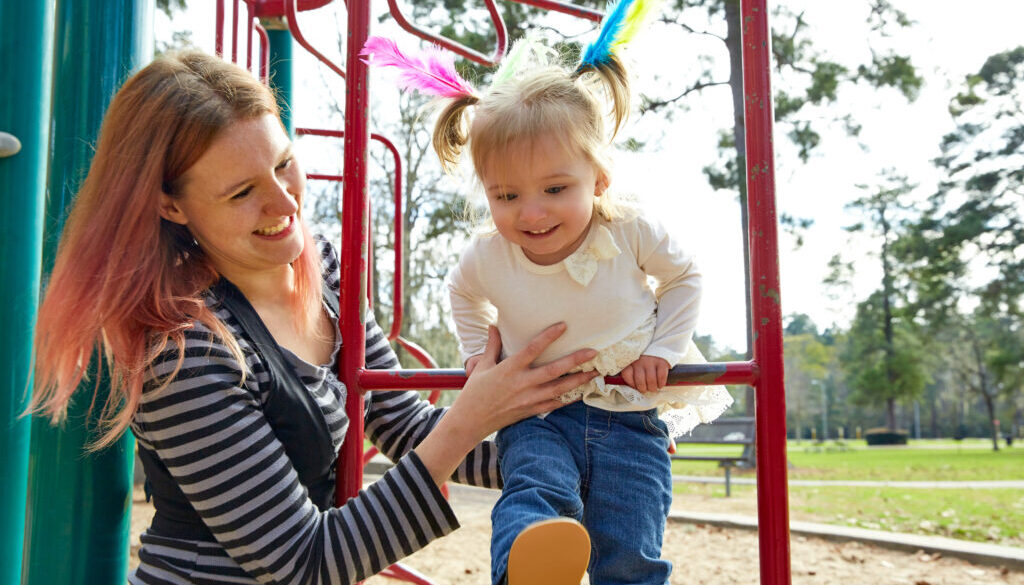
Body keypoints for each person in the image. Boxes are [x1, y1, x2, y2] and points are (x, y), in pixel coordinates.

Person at [28, 50, 603, 585]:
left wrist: (584, 454)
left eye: (284, 164)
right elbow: (304, 562)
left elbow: (399, 422)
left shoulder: (324, 267)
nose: (284, 204)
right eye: (241, 193)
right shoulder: (182, 351)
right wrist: (470, 418)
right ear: (170, 205)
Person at [363, 2, 734, 583]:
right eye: (506, 196)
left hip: (630, 416)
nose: (530, 213)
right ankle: (527, 571)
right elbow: (461, 292)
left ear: (599, 178)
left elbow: (685, 278)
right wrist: (475, 358)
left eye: (555, 188)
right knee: (533, 498)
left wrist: (661, 350)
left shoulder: (629, 229)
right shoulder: (488, 256)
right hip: (538, 414)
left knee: (631, 543)